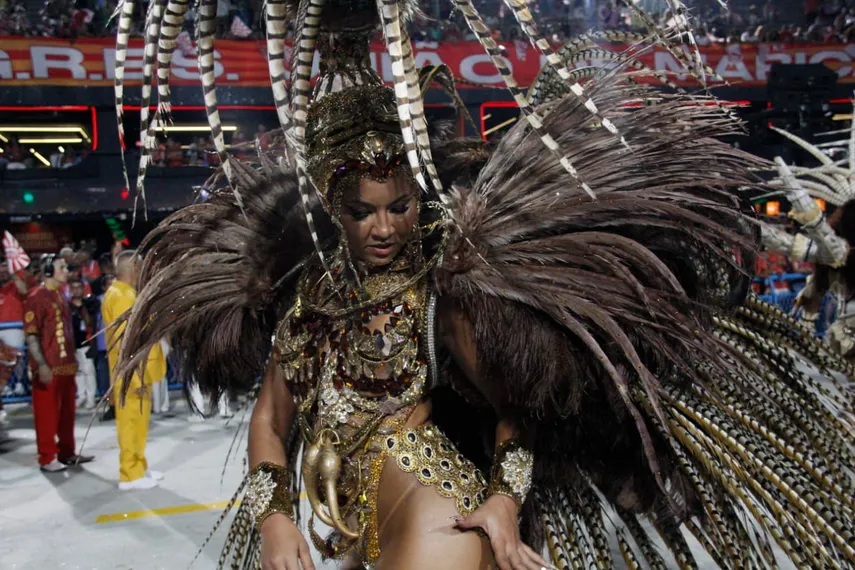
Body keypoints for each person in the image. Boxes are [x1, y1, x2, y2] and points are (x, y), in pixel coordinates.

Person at [115, 2, 855, 569]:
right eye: (362, 212)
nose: (383, 228)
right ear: (332, 213)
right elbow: (271, 420)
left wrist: (502, 503)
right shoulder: (310, 294)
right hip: (345, 516)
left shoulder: (440, 290)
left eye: (400, 207)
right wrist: (274, 514)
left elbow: (513, 406)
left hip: (431, 503)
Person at [23, 254, 94, 472]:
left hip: (66, 365)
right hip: (48, 367)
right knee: (46, 414)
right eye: (61, 267)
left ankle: (66, 452)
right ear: (47, 271)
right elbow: (32, 335)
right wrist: (41, 364)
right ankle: (47, 458)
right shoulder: (36, 297)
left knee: (66, 414)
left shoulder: (60, 295)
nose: (66, 271)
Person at [102, 250, 165, 490]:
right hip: (132, 375)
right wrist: (135, 377)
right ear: (134, 269)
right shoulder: (122, 296)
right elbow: (126, 340)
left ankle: (139, 466)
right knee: (130, 424)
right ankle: (129, 474)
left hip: (135, 373)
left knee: (138, 423)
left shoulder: (123, 293)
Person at [68, 278, 97, 410]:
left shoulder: (89, 304)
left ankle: (91, 397)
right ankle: (81, 395)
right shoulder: (67, 306)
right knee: (78, 371)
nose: (76, 290)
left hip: (87, 342)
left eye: (78, 287)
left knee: (88, 370)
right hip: (73, 344)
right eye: (73, 287)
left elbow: (92, 322)